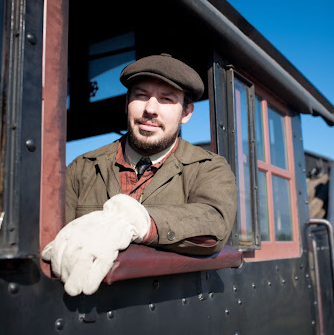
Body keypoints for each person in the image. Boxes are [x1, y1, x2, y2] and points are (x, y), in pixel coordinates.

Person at [41, 53, 238, 297]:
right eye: (141, 96)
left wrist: (143, 223)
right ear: (127, 103)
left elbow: (215, 222)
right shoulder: (82, 167)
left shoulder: (209, 167)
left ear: (186, 113)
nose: (150, 109)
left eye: (166, 99)